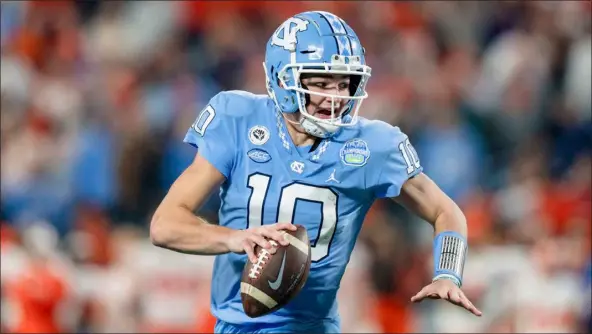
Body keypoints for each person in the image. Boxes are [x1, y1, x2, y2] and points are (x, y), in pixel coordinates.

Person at [150, 10, 482, 333]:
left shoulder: (372, 145)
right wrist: (235, 238)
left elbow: (445, 211)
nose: (335, 98)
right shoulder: (237, 118)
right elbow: (165, 225)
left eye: (344, 84)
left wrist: (447, 274)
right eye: (322, 83)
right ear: (283, 79)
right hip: (232, 325)